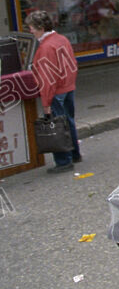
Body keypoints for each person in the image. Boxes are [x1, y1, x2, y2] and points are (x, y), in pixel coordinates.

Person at [26, 11, 81, 173]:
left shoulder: (45, 48)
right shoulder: (62, 39)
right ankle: (75, 153)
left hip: (57, 90)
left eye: (32, 28)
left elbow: (47, 79)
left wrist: (46, 103)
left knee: (57, 126)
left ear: (41, 28)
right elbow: (72, 63)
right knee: (68, 121)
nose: (31, 31)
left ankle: (64, 161)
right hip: (69, 86)